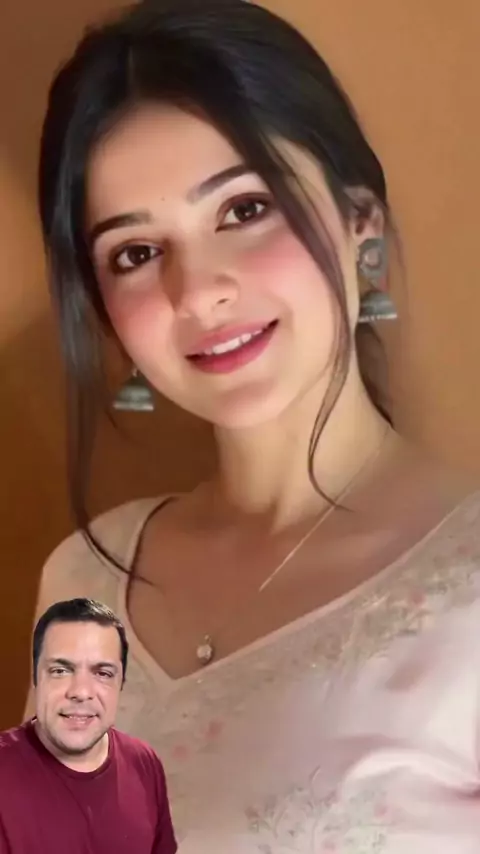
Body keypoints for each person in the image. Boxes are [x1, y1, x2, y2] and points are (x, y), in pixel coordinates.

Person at [25, 0, 480, 849]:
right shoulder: (84, 576)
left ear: (360, 227)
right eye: (136, 253)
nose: (197, 292)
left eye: (244, 210)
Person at [2, 598, 176, 853]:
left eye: (103, 673)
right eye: (60, 670)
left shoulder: (144, 763)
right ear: (36, 677)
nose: (81, 692)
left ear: (121, 683)